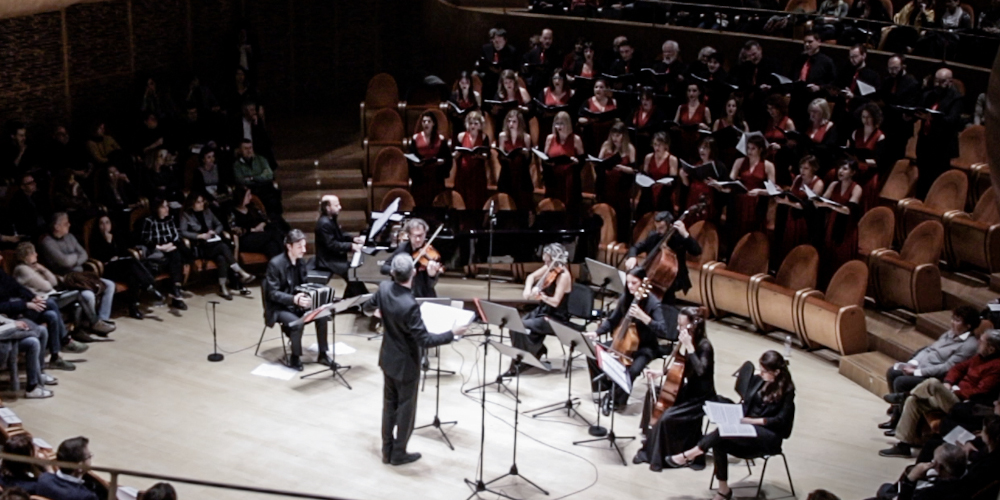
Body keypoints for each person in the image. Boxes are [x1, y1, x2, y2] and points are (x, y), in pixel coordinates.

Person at [363, 253, 466, 466]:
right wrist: (452, 333)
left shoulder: (384, 288)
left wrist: (379, 313)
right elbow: (425, 340)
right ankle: (399, 453)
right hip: (406, 365)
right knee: (406, 410)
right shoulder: (409, 305)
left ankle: (387, 450)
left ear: (393, 272)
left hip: (388, 359)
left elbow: (367, 308)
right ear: (413, 272)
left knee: (389, 406)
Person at [664, 350, 796, 500]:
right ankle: (723, 490)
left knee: (722, 431)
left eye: (765, 371)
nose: (760, 374)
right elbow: (746, 404)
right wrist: (735, 414)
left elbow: (781, 421)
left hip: (768, 435)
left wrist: (752, 421)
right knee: (719, 442)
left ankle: (689, 454)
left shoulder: (787, 391)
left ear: (777, 372)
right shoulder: (759, 380)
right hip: (748, 427)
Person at [881, 330, 1000, 457]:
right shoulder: (979, 357)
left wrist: (955, 391)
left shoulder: (997, 367)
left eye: (982, 341)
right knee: (914, 401)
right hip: (953, 395)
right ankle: (903, 445)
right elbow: (957, 368)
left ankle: (905, 396)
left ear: (991, 349)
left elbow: (980, 392)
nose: (978, 343)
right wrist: (948, 382)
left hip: (965, 405)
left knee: (932, 383)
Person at [634, 306, 715, 471]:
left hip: (700, 398)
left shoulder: (705, 346)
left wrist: (689, 347)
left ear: (693, 326)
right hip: (688, 390)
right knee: (652, 394)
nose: (678, 328)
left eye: (681, 325)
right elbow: (681, 366)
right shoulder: (688, 341)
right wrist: (660, 372)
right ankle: (650, 440)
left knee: (665, 417)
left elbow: (701, 371)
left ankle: (659, 455)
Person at [880, 305, 981, 431]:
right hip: (922, 368)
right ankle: (896, 413)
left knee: (901, 382)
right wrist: (913, 363)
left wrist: (917, 372)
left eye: (957, 320)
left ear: (968, 326)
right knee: (893, 372)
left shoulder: (969, 345)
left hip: (936, 376)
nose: (952, 322)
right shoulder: (949, 333)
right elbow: (929, 349)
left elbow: (948, 367)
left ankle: (901, 422)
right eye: (953, 318)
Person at [587, 268, 671, 413]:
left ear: (643, 283)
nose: (630, 286)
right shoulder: (625, 298)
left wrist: (643, 317)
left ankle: (615, 400)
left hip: (645, 347)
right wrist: (596, 333)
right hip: (623, 341)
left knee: (632, 370)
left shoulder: (653, 303)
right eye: (628, 283)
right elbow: (612, 321)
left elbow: (663, 330)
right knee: (593, 353)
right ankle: (607, 388)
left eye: (634, 283)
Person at [36, 213, 116, 333]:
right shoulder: (47, 242)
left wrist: (72, 260)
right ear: (57, 227)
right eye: (65, 223)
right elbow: (65, 262)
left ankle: (102, 319)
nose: (69, 225)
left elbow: (84, 254)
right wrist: (75, 258)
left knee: (109, 285)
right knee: (88, 295)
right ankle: (93, 323)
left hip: (82, 276)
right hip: (67, 281)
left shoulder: (70, 237)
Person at [263, 229, 331, 371]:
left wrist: (310, 298)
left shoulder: (301, 262)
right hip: (279, 307)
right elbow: (272, 294)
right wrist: (294, 299)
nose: (304, 250)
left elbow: (304, 285)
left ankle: (323, 354)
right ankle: (295, 357)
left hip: (296, 303)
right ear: (289, 246)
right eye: (300, 247)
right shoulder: (275, 264)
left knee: (322, 314)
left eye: (304, 246)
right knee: (297, 323)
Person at [13, 242, 115, 337]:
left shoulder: (33, 267)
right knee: (78, 294)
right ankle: (95, 323)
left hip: (51, 295)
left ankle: (78, 331)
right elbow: (47, 286)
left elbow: (54, 282)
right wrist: (41, 273)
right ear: (26, 256)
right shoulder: (22, 269)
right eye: (33, 253)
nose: (36, 254)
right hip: (43, 301)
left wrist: (43, 269)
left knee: (77, 304)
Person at [506, 243, 573, 375]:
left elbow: (555, 302)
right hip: (543, 310)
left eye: (548, 261)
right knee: (515, 325)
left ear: (556, 260)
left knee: (523, 325)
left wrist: (542, 296)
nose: (546, 264)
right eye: (545, 261)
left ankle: (521, 362)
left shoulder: (563, 276)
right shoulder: (550, 267)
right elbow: (531, 277)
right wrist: (527, 289)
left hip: (556, 317)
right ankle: (534, 351)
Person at [179, 193, 254, 299]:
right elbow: (182, 232)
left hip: (213, 242)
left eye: (202, 201)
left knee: (221, 258)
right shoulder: (186, 215)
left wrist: (214, 232)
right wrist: (199, 236)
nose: (202, 204)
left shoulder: (207, 211)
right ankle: (240, 271)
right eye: (198, 202)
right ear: (192, 204)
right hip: (201, 246)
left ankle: (223, 287)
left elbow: (219, 225)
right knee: (223, 247)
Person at [89, 214, 162, 320]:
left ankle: (133, 308)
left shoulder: (116, 236)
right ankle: (149, 285)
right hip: (108, 270)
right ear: (98, 226)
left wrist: (117, 255)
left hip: (122, 267)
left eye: (107, 222)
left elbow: (124, 251)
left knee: (133, 275)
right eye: (102, 223)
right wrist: (108, 243)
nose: (105, 225)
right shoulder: (95, 240)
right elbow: (101, 257)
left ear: (111, 224)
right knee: (131, 264)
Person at [624, 212, 702, 309]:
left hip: (672, 277)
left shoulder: (679, 238)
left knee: (664, 301)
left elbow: (697, 251)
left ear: (670, 226)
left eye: (661, 228)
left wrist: (685, 234)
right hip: (653, 275)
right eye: (656, 227)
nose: (658, 231)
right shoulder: (653, 236)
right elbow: (636, 247)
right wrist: (632, 256)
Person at [711, 134, 775, 246]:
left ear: (760, 149)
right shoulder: (739, 161)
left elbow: (772, 190)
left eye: (753, 148)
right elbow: (730, 183)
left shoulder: (768, 165)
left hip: (756, 203)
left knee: (752, 234)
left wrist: (759, 191)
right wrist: (720, 186)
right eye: (748, 148)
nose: (749, 151)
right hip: (739, 201)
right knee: (735, 232)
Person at [912, 68, 963, 199]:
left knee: (937, 179)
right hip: (925, 143)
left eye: (942, 82)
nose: (938, 84)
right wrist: (911, 115)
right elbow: (919, 109)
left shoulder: (956, 98)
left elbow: (952, 120)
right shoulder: (929, 94)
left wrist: (932, 118)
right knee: (922, 178)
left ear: (950, 82)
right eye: (936, 81)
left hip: (942, 146)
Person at [774, 156, 825, 268]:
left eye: (806, 168)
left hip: (805, 220)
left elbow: (809, 206)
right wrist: (781, 191)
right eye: (801, 167)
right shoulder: (798, 178)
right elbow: (792, 195)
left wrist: (787, 203)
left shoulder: (818, 183)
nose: (802, 171)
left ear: (814, 168)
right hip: (792, 216)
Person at [140, 199, 190, 310]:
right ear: (156, 208)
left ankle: (175, 291)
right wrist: (161, 247)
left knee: (175, 255)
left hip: (169, 248)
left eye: (167, 206)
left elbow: (176, 236)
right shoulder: (149, 221)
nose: (167, 209)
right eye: (163, 207)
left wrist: (170, 244)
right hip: (156, 250)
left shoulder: (170, 219)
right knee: (176, 258)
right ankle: (176, 291)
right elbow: (145, 240)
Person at [819, 160, 863, 284]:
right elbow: (823, 199)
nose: (840, 171)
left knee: (841, 255)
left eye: (845, 169)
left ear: (853, 172)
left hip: (847, 226)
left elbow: (849, 210)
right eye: (840, 168)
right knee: (828, 253)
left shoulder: (857, 188)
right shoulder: (834, 184)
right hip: (832, 222)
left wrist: (830, 205)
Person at [380, 219, 441, 298]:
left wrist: (432, 275)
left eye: (421, 235)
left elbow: (430, 285)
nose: (418, 239)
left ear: (425, 234)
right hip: (403, 294)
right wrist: (396, 271)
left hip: (423, 295)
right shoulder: (403, 248)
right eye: (415, 236)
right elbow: (384, 268)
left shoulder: (431, 253)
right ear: (409, 235)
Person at [597, 120, 637, 239]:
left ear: (624, 135)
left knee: (621, 217)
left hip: (621, 188)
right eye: (613, 135)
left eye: (618, 135)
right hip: (606, 186)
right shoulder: (606, 145)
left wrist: (621, 167)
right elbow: (598, 163)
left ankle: (620, 240)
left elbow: (634, 170)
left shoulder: (629, 149)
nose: (615, 138)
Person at [0, 315, 55, 398]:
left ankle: (40, 373)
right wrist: (13, 325)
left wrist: (13, 322)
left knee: (42, 330)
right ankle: (32, 387)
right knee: (33, 342)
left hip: (6, 332)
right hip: (3, 340)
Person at [542, 111, 585, 214]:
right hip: (553, 178)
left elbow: (582, 160)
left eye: (562, 123)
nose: (559, 126)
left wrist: (576, 161)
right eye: (557, 123)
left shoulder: (575, 139)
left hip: (569, 180)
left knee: (569, 210)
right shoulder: (550, 138)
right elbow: (544, 158)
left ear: (568, 124)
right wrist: (548, 163)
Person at [408, 110, 452, 208]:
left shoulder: (440, 139)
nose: (426, 124)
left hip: (436, 177)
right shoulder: (415, 138)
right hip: (421, 178)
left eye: (429, 121)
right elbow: (411, 157)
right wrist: (415, 164)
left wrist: (442, 162)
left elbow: (448, 158)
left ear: (433, 123)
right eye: (424, 121)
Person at [314, 194, 364, 280]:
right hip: (328, 261)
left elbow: (339, 234)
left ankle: (355, 289)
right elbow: (332, 244)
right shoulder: (324, 224)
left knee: (354, 274)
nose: (340, 207)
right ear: (328, 208)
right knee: (353, 272)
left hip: (333, 258)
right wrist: (350, 246)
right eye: (336, 205)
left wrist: (353, 239)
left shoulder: (330, 219)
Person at [34, 436, 99, 500]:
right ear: (79, 467)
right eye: (89, 456)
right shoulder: (86, 496)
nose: (90, 459)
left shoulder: (43, 479)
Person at [229, 185, 285, 259]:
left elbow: (265, 219)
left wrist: (263, 224)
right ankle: (288, 259)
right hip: (245, 239)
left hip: (259, 237)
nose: (250, 197)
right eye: (248, 195)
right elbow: (233, 229)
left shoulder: (252, 207)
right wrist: (252, 230)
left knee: (272, 245)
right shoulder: (232, 212)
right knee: (274, 234)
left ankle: (278, 265)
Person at [496, 109, 534, 212]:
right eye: (509, 121)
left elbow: (528, 160)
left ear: (519, 123)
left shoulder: (526, 137)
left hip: (522, 175)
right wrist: (503, 155)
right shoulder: (502, 136)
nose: (511, 124)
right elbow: (500, 156)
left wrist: (526, 153)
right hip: (507, 174)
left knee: (522, 207)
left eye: (514, 121)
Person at [233, 139, 282, 216]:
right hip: (251, 189)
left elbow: (269, 175)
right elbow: (240, 180)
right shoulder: (237, 165)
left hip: (265, 186)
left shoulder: (261, 159)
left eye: (250, 148)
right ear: (240, 150)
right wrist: (260, 177)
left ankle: (275, 218)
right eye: (245, 148)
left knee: (273, 197)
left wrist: (252, 178)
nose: (249, 151)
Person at [453, 110, 490, 211]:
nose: (473, 126)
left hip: (478, 173)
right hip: (463, 173)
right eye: (470, 123)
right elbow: (455, 153)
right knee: (463, 199)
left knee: (477, 200)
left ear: (480, 125)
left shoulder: (484, 137)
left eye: (475, 123)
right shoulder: (461, 136)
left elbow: (487, 155)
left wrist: (480, 155)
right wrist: (456, 154)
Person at [639, 131, 679, 215]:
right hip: (649, 191)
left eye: (659, 145)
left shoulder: (672, 159)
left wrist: (666, 183)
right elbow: (644, 175)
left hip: (664, 193)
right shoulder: (648, 157)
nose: (656, 148)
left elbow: (673, 180)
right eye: (655, 144)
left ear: (665, 145)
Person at [674, 83, 712, 161]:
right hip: (682, 144)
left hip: (697, 144)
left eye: (694, 91)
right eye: (689, 91)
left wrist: (704, 126)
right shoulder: (681, 108)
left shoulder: (705, 109)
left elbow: (710, 130)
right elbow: (674, 125)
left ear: (699, 92)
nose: (691, 93)